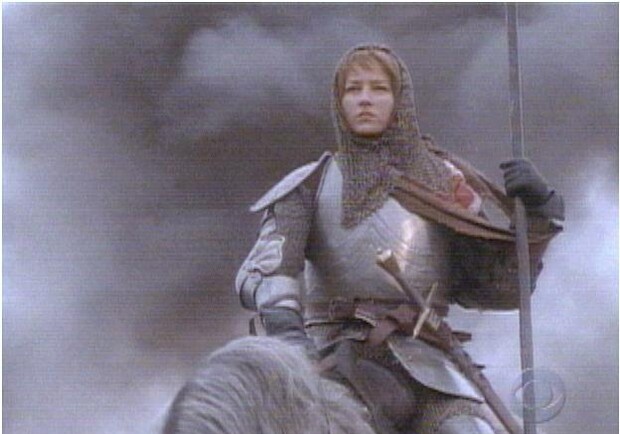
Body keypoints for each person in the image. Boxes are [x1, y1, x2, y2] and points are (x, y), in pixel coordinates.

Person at [235, 44, 564, 434]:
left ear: (399, 100)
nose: (365, 99)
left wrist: (539, 214)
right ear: (339, 101)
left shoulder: (442, 181)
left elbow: (495, 287)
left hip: (429, 364)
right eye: (353, 89)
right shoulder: (312, 183)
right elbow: (266, 272)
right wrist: (290, 340)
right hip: (333, 358)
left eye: (378, 88)